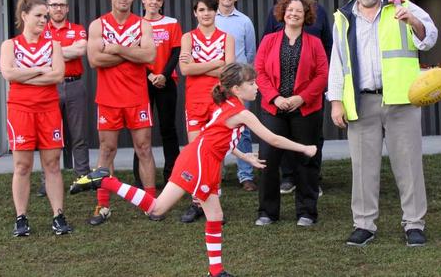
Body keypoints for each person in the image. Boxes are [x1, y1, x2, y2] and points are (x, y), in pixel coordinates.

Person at [72, 63, 317, 277]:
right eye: (251, 83)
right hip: (199, 162)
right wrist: (304, 148)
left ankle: (216, 271)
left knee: (215, 216)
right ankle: (105, 180)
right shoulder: (240, 111)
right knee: (156, 208)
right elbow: (272, 139)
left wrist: (245, 156)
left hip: (203, 159)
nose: (256, 87)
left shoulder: (230, 104)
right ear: (236, 89)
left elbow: (218, 137)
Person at [328, 0, 438, 247]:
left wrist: (412, 20)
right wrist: (336, 101)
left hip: (402, 100)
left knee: (409, 165)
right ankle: (364, 224)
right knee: (362, 167)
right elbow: (337, 64)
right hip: (362, 101)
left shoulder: (402, 5)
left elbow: (430, 38)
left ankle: (414, 223)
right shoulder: (343, 17)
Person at [71, 0, 157, 227]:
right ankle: (102, 204)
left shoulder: (143, 25)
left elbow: (149, 54)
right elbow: (95, 61)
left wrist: (115, 49)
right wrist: (131, 52)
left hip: (137, 97)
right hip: (108, 99)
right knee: (106, 151)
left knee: (144, 149)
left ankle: (151, 202)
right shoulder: (98, 25)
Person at [0, 0, 72, 236]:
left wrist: (27, 73)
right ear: (24, 16)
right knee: (22, 165)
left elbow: (57, 75)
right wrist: (41, 69)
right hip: (20, 110)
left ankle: (58, 215)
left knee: (52, 164)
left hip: (48, 109)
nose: (44, 20)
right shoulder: (10, 45)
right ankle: (21, 218)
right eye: (39, 15)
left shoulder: (54, 45)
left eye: (46, 16)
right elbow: (9, 74)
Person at [255, 0, 328, 227]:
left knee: (307, 158)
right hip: (273, 108)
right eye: (290, 9)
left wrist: (302, 98)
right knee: (268, 158)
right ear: (282, 13)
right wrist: (275, 98)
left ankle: (307, 211)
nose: (293, 13)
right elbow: (259, 71)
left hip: (305, 109)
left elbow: (322, 75)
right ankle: (267, 211)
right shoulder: (268, 40)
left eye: (298, 10)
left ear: (306, 15)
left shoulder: (315, 43)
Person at [263, 0, 331, 195]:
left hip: (310, 92)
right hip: (278, 95)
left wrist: (307, 94)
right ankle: (289, 178)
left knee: (312, 138)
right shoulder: (275, 15)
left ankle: (313, 179)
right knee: (281, 138)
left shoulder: (320, 12)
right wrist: (275, 96)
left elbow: (327, 52)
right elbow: (263, 59)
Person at [178, 0, 235, 223]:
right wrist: (215, 65)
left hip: (218, 101)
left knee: (214, 153)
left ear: (216, 12)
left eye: (210, 9)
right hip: (194, 101)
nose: (206, 14)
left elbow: (229, 72)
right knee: (196, 152)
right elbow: (185, 70)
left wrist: (198, 66)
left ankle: (212, 201)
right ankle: (197, 202)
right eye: (201, 10)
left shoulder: (227, 38)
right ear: (195, 12)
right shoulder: (188, 38)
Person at [35, 0, 90, 198]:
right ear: (47, 8)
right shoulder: (40, 30)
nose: (58, 9)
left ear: (67, 8)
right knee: (48, 136)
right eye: (54, 5)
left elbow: (80, 50)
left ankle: (82, 177)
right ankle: (46, 181)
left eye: (62, 5)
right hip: (49, 86)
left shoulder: (78, 29)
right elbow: (38, 53)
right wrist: (65, 50)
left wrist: (51, 51)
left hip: (74, 84)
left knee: (79, 135)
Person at [132, 0, 182, 187]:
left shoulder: (172, 22)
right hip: (142, 82)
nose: (154, 2)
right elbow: (134, 53)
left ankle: (172, 175)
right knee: (141, 131)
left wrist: (163, 75)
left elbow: (176, 51)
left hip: (167, 82)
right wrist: (150, 75)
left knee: (168, 129)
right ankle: (140, 177)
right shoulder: (134, 24)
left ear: (162, 3)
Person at [214, 0, 257, 191]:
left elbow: (250, 53)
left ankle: (245, 175)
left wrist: (245, 80)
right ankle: (215, 173)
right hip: (215, 83)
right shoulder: (210, 18)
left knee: (242, 128)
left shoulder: (244, 22)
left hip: (239, 85)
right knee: (215, 126)